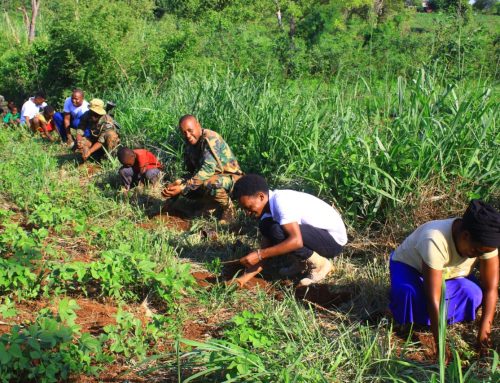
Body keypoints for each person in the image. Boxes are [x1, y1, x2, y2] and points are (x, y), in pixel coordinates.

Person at [389, 200, 499, 356]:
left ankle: (423, 317)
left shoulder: (485, 243)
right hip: (411, 268)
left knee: (473, 295)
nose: (480, 256)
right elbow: (434, 298)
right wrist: (440, 345)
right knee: (408, 294)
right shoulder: (435, 239)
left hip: (448, 276)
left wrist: (484, 335)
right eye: (477, 251)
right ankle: (404, 316)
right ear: (465, 236)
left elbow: (491, 288)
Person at [232, 174, 347, 287]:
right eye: (244, 209)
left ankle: (320, 265)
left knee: (276, 230)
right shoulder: (266, 212)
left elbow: (296, 241)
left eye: (249, 207)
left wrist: (260, 254)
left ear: (261, 197)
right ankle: (302, 263)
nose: (247, 213)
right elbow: (265, 250)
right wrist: (242, 279)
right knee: (266, 226)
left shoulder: (281, 202)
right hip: (316, 236)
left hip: (332, 242)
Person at [161, 115, 243, 222]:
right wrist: (175, 188)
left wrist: (183, 188)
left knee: (209, 183)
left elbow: (207, 170)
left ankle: (229, 209)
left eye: (190, 130)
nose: (188, 135)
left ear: (198, 125)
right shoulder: (190, 144)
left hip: (233, 180)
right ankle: (208, 204)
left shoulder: (210, 139)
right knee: (179, 182)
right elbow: (192, 172)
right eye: (184, 133)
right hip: (214, 177)